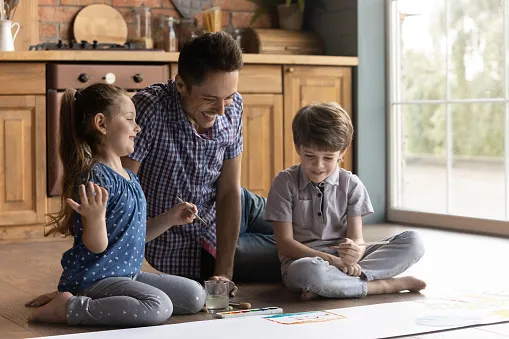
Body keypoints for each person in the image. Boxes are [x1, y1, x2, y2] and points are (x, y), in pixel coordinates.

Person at [27, 83, 205, 326]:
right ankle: (70, 307)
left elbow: (134, 236)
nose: (137, 127)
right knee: (158, 306)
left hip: (126, 275)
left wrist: (171, 218)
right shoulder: (94, 178)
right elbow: (96, 246)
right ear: (101, 124)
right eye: (130, 119)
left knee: (195, 295)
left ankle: (76, 301)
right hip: (95, 278)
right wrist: (96, 219)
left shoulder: (130, 177)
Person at [120, 31, 281, 291]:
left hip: (239, 204)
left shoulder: (233, 105)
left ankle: (349, 248)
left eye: (228, 97)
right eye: (209, 99)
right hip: (188, 242)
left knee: (312, 229)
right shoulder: (149, 110)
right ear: (181, 85)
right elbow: (123, 196)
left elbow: (229, 190)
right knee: (299, 255)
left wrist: (224, 273)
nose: (220, 111)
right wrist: (221, 272)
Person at [264, 102, 426, 301]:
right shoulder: (284, 182)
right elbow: (285, 244)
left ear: (342, 152)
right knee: (310, 272)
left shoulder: (351, 184)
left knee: (414, 242)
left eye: (328, 157)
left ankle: (332, 286)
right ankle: (383, 285)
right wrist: (333, 261)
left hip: (346, 263)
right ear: (298, 147)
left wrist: (355, 253)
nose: (318, 166)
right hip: (304, 262)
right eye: (310, 156)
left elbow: (357, 239)